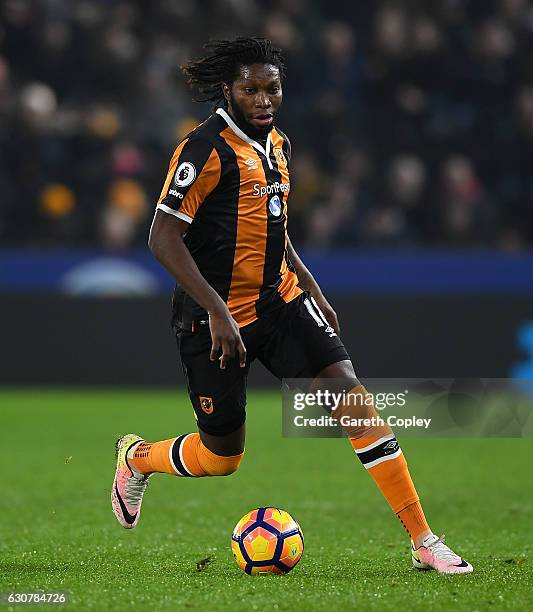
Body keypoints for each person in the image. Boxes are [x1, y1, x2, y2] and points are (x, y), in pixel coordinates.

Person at [111, 37, 472, 574]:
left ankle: (424, 540)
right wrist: (216, 310)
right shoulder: (203, 149)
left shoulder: (278, 143)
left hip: (280, 303)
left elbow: (274, 226)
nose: (263, 100)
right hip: (213, 321)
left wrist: (309, 282)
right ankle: (138, 459)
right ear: (228, 91)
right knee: (222, 457)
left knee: (353, 399)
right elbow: (162, 238)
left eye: (271, 88)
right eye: (250, 90)